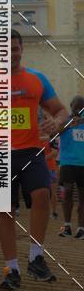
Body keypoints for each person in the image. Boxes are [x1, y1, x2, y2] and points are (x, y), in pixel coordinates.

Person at [0, 29, 68, 291]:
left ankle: (36, 256)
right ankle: (11, 269)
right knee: (6, 212)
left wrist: (56, 122)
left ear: (21, 49)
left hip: (31, 151)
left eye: (14, 48)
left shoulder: (36, 79)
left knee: (42, 195)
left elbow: (60, 111)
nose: (9, 54)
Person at [58, 95, 84, 238]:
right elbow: (53, 133)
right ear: (71, 106)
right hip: (67, 162)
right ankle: (67, 226)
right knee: (67, 191)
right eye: (76, 107)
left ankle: (81, 228)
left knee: (82, 196)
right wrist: (69, 123)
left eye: (82, 107)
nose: (79, 110)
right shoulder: (65, 121)